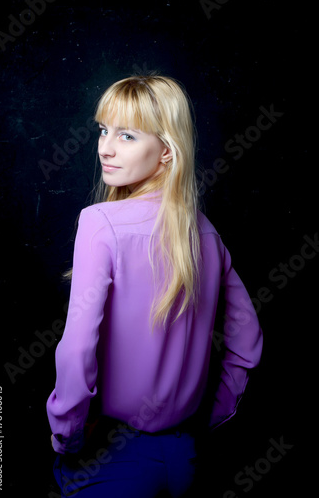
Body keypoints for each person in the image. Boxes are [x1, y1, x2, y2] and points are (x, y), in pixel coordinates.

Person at [46, 75, 263, 498]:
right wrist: (210, 417)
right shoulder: (207, 234)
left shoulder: (99, 222)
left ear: (166, 151)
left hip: (109, 461)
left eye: (126, 135)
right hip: (186, 461)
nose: (105, 147)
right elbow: (248, 342)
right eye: (103, 130)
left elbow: (76, 350)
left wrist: (67, 438)